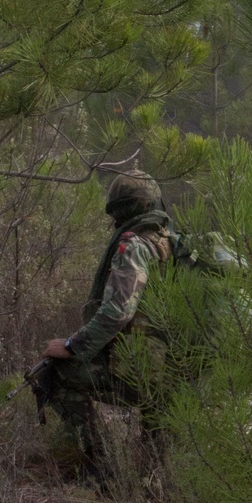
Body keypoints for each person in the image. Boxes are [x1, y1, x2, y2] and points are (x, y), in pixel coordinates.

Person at [41, 169, 174, 484]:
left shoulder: (136, 245)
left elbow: (116, 312)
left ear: (122, 209)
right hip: (178, 372)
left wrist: (74, 346)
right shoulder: (172, 245)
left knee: (54, 374)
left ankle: (100, 467)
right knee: (159, 414)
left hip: (140, 372)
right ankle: (155, 479)